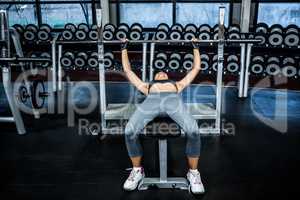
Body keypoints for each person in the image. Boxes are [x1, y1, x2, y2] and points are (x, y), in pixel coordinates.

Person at [121, 38, 204, 194]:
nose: (161, 72)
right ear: (154, 78)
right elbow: (128, 71)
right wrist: (124, 47)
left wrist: (195, 46)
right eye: (158, 73)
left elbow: (196, 68)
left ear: (168, 76)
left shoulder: (177, 85)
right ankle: (137, 171)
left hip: (173, 101)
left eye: (163, 72)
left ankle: (193, 173)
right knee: (129, 131)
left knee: (194, 131)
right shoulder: (147, 87)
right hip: (151, 101)